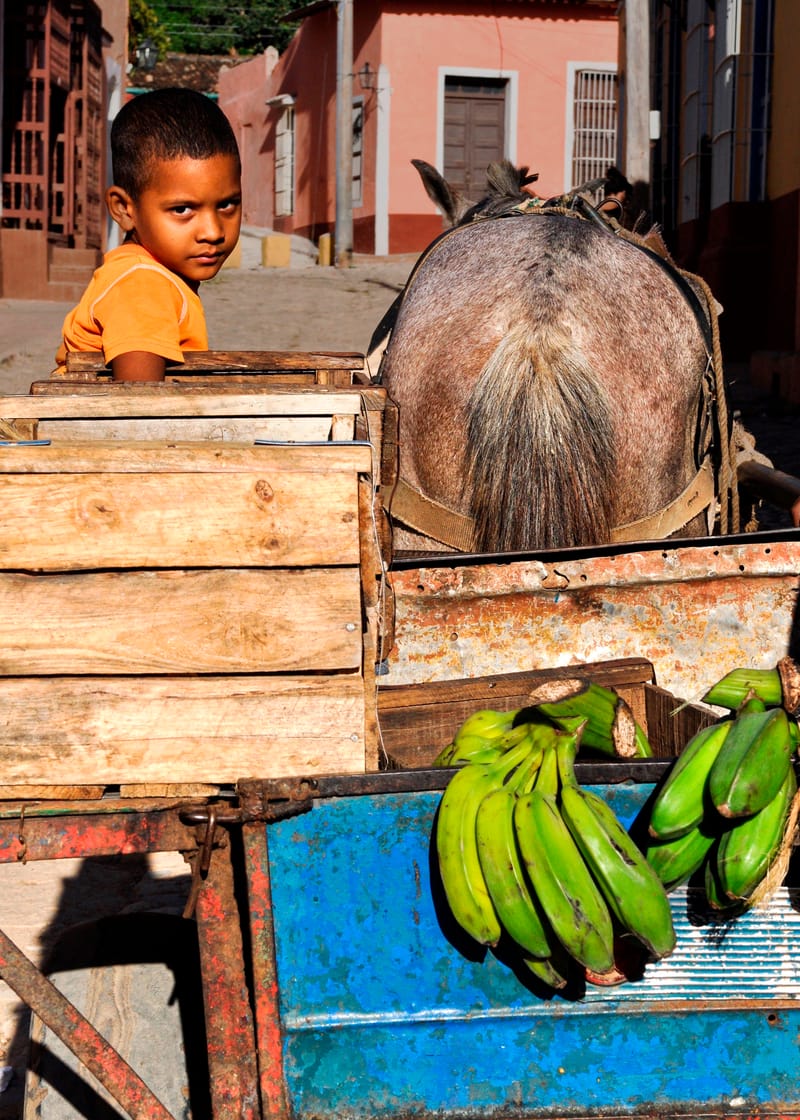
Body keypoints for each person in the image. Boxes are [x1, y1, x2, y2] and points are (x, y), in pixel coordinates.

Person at [55, 87, 242, 382]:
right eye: (182, 210)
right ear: (125, 210)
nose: (213, 231)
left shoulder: (151, 273)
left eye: (227, 204)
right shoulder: (142, 284)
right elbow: (139, 409)